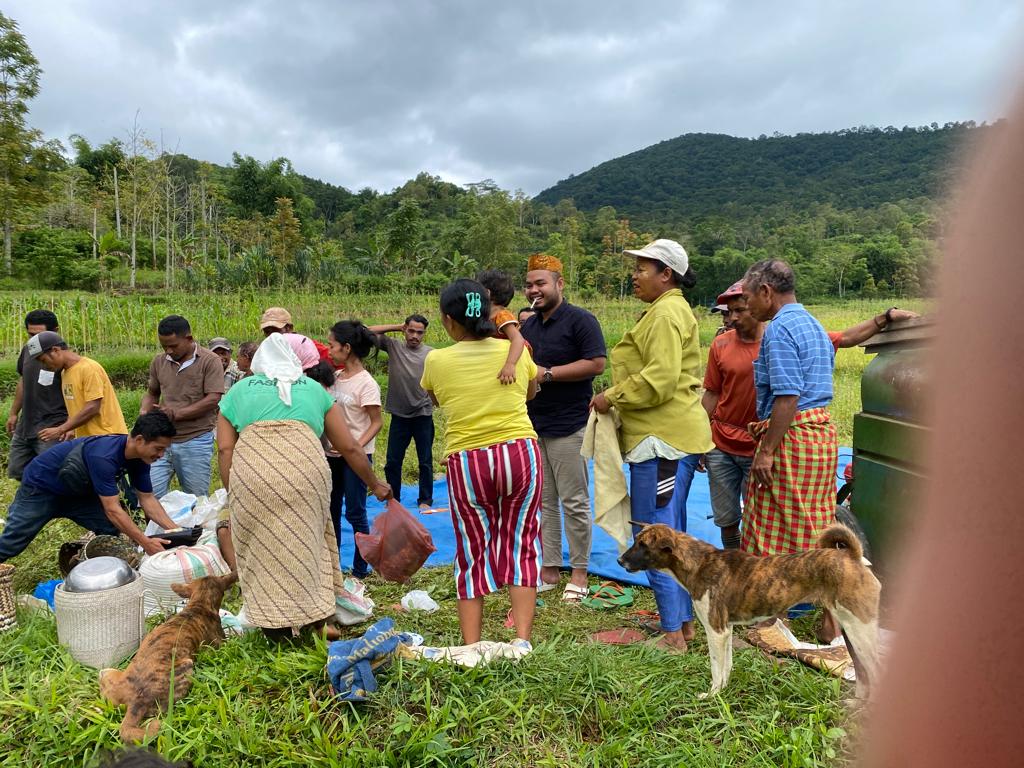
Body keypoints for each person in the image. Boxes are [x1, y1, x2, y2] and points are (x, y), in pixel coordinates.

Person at [216, 333, 391, 642]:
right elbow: (350, 447)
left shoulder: (239, 390)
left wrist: (236, 490)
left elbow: (225, 449)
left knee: (262, 547)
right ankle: (320, 619)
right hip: (305, 472)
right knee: (310, 541)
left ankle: (276, 626)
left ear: (259, 364)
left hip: (254, 474)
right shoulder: (314, 389)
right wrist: (374, 483)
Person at [590, 239, 713, 652]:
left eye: (642, 268)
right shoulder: (668, 310)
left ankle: (672, 635)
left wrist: (611, 396)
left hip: (660, 442)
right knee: (672, 534)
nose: (635, 276)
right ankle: (683, 624)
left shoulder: (665, 314)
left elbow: (658, 380)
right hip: (670, 439)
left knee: (653, 536)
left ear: (666, 274)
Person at [420, 279, 541, 649]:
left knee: (472, 549)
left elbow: (437, 398)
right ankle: (522, 641)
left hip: (469, 460)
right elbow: (530, 392)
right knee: (522, 540)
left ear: (448, 320)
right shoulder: (516, 352)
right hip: (520, 452)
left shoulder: (436, 360)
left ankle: (472, 644)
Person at [521, 253, 606, 601]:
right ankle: (550, 567)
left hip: (569, 424)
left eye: (540, 283)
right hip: (535, 424)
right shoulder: (528, 327)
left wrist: (548, 374)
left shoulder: (581, 321)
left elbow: (596, 363)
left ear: (559, 284)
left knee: (574, 500)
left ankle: (580, 571)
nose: (533, 290)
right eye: (528, 285)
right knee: (544, 501)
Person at [740, 259, 837, 561]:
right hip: (819, 439)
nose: (747, 306)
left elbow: (787, 397)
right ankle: (819, 583)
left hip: (791, 439)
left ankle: (779, 590)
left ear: (765, 292)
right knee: (812, 522)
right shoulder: (812, 323)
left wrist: (767, 451)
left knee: (774, 532)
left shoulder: (779, 329)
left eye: (748, 297)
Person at [0, 412, 180, 562]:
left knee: (110, 529)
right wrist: (145, 542)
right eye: (158, 448)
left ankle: (100, 572)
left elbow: (147, 499)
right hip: (42, 488)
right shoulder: (104, 456)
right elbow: (113, 510)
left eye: (164, 450)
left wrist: (176, 531)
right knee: (12, 543)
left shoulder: (141, 459)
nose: (161, 455)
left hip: (77, 493)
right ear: (139, 440)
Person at [701, 280, 762, 550]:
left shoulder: (777, 342)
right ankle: (733, 560)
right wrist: (701, 439)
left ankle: (754, 565)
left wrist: (881, 320)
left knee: (757, 518)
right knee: (726, 517)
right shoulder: (721, 344)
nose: (732, 318)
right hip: (721, 444)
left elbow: (840, 338)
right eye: (729, 312)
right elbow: (712, 393)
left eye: (738, 311)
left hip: (758, 446)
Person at [140, 316, 224, 500]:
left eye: (173, 346)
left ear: (189, 338)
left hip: (195, 439)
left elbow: (213, 399)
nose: (169, 351)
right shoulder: (159, 361)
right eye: (164, 347)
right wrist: (144, 413)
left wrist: (176, 414)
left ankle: (192, 521)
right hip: (161, 439)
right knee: (150, 494)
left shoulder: (209, 361)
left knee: (195, 499)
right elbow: (152, 393)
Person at [324, 321, 383, 578]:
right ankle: (333, 566)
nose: (329, 350)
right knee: (331, 510)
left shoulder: (366, 383)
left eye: (332, 345)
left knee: (355, 512)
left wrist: (355, 448)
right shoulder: (335, 378)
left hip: (355, 457)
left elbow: (376, 422)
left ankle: (361, 569)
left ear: (346, 348)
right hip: (332, 455)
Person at [367, 314, 436, 512]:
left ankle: (425, 499)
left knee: (425, 461)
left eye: (419, 332)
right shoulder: (393, 346)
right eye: (411, 331)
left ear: (424, 333)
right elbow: (366, 331)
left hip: (423, 414)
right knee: (393, 462)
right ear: (405, 329)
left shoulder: (431, 354)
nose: (415, 336)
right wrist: (397, 326)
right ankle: (394, 500)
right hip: (399, 415)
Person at [6, 310, 68, 480]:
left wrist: (67, 427)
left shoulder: (63, 357)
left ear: (55, 331)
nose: (34, 340)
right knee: (18, 471)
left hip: (52, 425)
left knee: (51, 473)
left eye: (38, 335)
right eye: (30, 335)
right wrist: (13, 413)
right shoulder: (28, 349)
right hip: (26, 424)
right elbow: (23, 380)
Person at [30, 331, 128, 438]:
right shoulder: (65, 373)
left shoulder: (89, 368)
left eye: (44, 360)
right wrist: (71, 428)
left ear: (55, 350)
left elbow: (93, 407)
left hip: (107, 436)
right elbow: (76, 407)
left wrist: (61, 429)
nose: (45, 366)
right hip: (88, 438)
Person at [476, 269, 527, 384]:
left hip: (513, 359)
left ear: (486, 293)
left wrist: (510, 364)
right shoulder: (485, 316)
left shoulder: (502, 315)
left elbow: (518, 339)